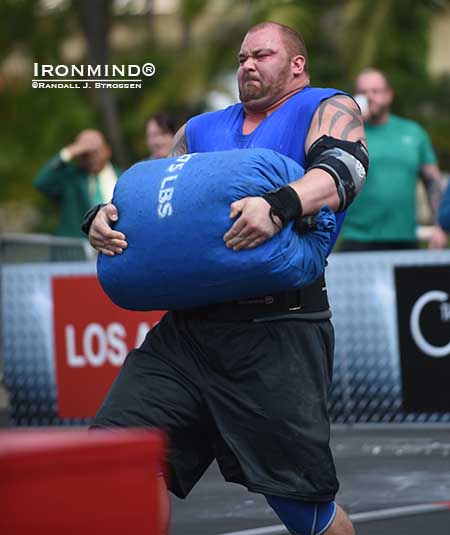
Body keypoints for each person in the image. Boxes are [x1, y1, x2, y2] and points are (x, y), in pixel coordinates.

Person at [84, 22, 369, 535]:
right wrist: (105, 216)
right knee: (118, 456)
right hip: (189, 333)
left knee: (305, 512)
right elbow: (156, 206)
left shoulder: (328, 105)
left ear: (296, 64)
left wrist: (280, 205)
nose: (248, 65)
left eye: (262, 55)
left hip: (278, 328)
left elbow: (345, 169)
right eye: (241, 58)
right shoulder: (198, 129)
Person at [340, 68, 447, 251]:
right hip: (357, 238)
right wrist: (354, 123)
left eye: (376, 91)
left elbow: (432, 182)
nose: (370, 97)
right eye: (363, 92)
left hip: (404, 238)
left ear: (389, 95)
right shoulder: (345, 133)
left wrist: (440, 226)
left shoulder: (413, 133)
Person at [34, 129, 120, 238]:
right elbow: (41, 182)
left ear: (107, 150)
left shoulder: (123, 177)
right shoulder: (70, 178)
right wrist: (70, 151)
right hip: (75, 250)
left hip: (112, 245)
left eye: (95, 151)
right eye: (85, 154)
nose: (91, 157)